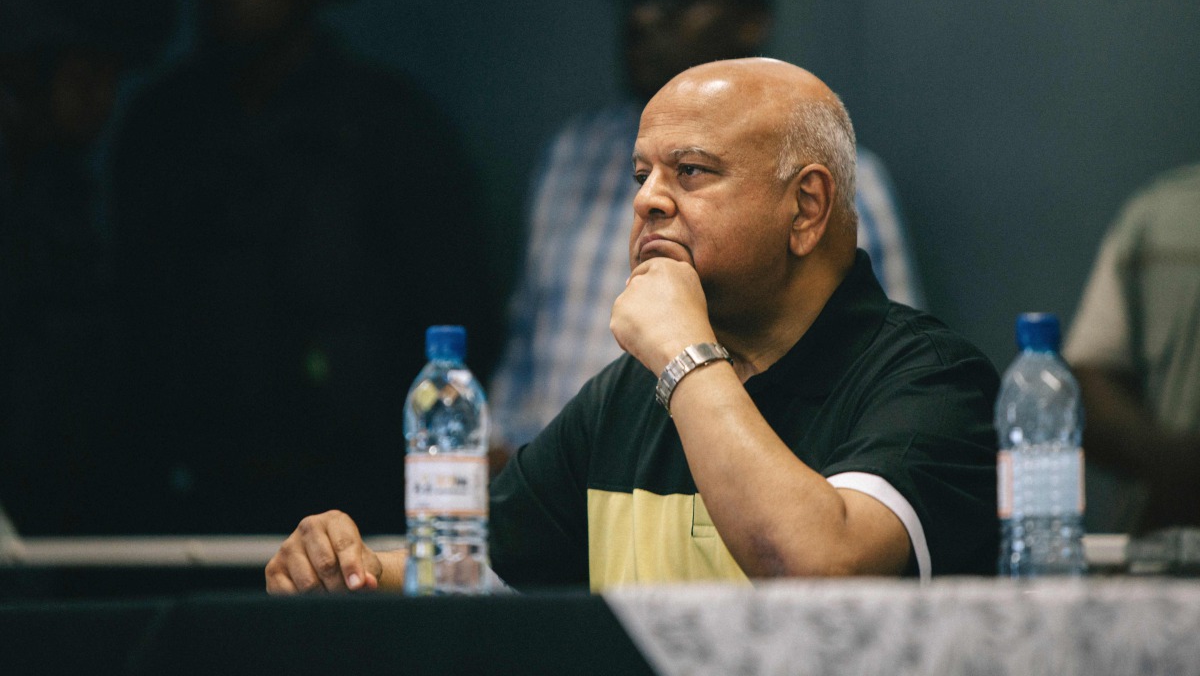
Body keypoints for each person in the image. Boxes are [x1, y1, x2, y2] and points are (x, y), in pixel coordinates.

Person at [265, 58, 998, 594]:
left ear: (805, 209)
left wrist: (684, 355)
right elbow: (473, 575)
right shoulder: (625, 395)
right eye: (640, 174)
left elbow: (816, 564)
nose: (647, 200)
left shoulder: (931, 381)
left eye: (691, 172)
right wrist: (348, 571)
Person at [109, 0, 500, 535]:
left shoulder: (387, 122)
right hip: (195, 493)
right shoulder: (163, 126)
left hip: (356, 493)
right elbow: (134, 317)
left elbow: (454, 311)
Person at [488, 0, 924, 454]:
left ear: (749, 21)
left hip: (726, 478)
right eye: (640, 175)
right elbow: (526, 348)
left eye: (692, 170)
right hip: (563, 478)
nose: (643, 17)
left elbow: (882, 368)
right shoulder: (571, 153)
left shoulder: (836, 176)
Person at [0, 0, 174, 534]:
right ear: (21, 70)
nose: (102, 97)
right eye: (83, 72)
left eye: (111, 74)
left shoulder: (61, 197)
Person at [1063, 163, 1200, 534]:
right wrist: (1169, 459)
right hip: (1168, 536)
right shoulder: (1156, 218)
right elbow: (1089, 379)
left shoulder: (1155, 213)